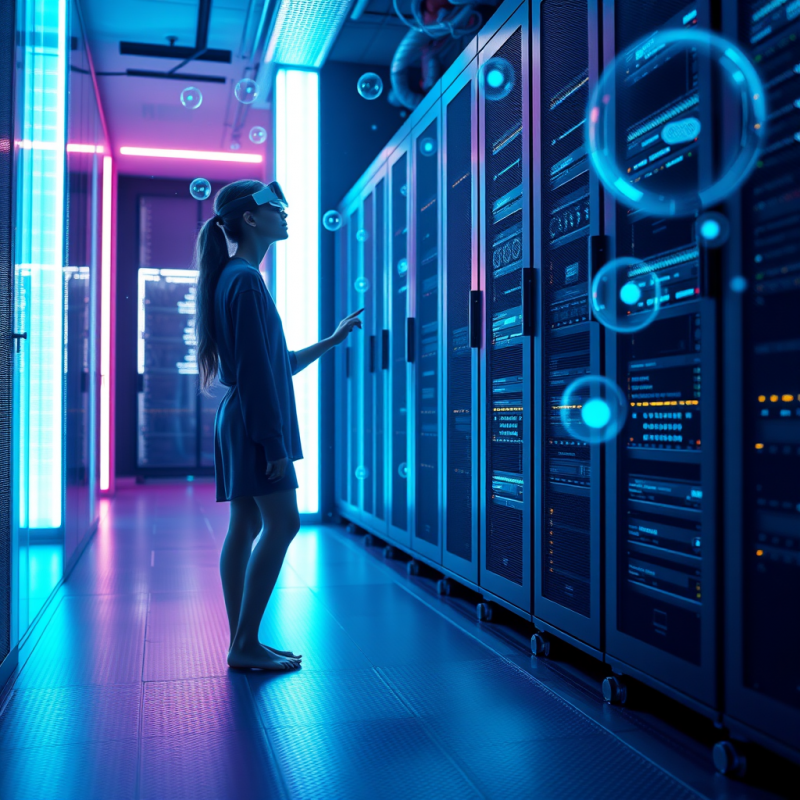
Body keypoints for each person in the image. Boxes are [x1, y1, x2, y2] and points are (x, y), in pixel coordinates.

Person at [193, 179, 362, 671]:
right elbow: (254, 371)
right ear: (251, 218)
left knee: (245, 524)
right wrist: (272, 445)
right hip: (252, 422)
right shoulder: (245, 280)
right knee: (283, 523)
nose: (286, 215)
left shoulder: (236, 277)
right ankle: (244, 643)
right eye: (277, 209)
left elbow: (274, 362)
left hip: (241, 415)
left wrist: (330, 341)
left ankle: (243, 642)